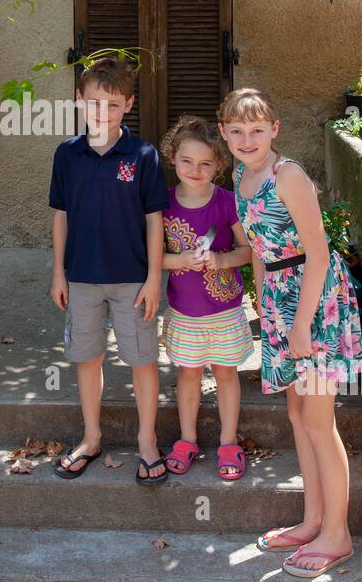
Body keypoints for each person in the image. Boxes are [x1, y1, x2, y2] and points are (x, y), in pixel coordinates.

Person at [218, 87, 362, 577]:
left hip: (316, 301)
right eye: (236, 131)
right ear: (224, 133)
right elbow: (261, 250)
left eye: (257, 130)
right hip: (282, 302)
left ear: (274, 129)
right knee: (300, 416)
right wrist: (263, 308)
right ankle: (313, 520)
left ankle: (338, 535)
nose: (247, 138)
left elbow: (318, 252)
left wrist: (301, 323)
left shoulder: (290, 176)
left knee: (321, 422)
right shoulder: (240, 175)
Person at [49, 58, 170, 484]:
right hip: (81, 277)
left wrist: (154, 278)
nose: (103, 112)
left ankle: (147, 441)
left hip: (132, 280)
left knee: (141, 359)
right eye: (95, 103)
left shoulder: (143, 155)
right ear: (80, 100)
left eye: (114, 105)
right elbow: (60, 215)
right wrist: (58, 273)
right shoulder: (67, 154)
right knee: (87, 357)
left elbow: (155, 218)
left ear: (129, 105)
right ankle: (91, 436)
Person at [159, 115, 253, 480]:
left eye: (205, 163)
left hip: (225, 310)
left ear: (219, 165)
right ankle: (187, 439)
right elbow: (150, 257)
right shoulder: (163, 205)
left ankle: (229, 442)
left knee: (227, 375)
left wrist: (221, 260)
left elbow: (247, 251)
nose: (195, 170)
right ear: (172, 157)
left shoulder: (227, 203)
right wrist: (180, 260)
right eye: (187, 161)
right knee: (188, 375)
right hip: (184, 312)